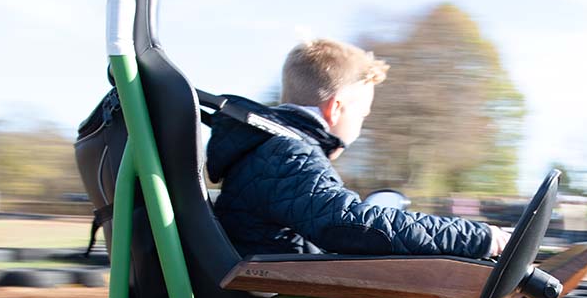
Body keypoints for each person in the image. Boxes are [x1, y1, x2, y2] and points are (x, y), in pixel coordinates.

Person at [206, 38, 510, 259]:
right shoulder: (286, 155)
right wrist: (481, 237)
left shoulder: (271, 152)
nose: (360, 125)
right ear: (336, 108)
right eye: (362, 114)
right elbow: (349, 224)